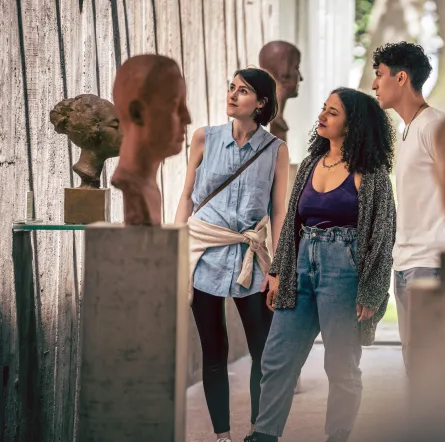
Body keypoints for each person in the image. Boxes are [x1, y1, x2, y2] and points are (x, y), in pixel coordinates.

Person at [248, 87, 396, 442]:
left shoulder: (371, 173)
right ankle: (264, 434)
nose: (322, 117)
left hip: (343, 267)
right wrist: (277, 273)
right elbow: (291, 228)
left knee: (341, 365)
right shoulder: (311, 163)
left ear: (353, 123)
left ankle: (337, 436)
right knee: (277, 357)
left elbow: (383, 236)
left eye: (333, 112)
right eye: (323, 109)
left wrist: (372, 291)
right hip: (302, 264)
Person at [174, 67, 289, 442]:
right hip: (204, 254)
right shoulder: (204, 138)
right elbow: (187, 198)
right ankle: (222, 437)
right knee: (214, 351)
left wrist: (279, 269)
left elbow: (279, 213)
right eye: (232, 88)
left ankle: (259, 431)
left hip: (250, 261)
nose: (233, 94)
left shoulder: (275, 150)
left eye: (243, 91)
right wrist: (176, 249)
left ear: (261, 103)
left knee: (264, 351)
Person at [370, 41, 445, 370]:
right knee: (418, 373)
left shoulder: (433, 126)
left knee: (433, 374)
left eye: (379, 75)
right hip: (407, 264)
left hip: (431, 267)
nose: (374, 84)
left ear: (401, 78)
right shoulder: (406, 129)